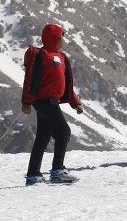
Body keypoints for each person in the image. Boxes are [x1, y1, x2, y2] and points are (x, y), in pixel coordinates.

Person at [21, 23, 84, 185]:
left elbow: (68, 84)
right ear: (53, 37)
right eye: (61, 36)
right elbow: (29, 79)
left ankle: (33, 175)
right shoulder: (41, 54)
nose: (63, 39)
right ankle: (57, 171)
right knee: (63, 131)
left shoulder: (62, 57)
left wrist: (75, 103)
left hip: (53, 101)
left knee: (43, 137)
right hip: (43, 100)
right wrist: (26, 101)